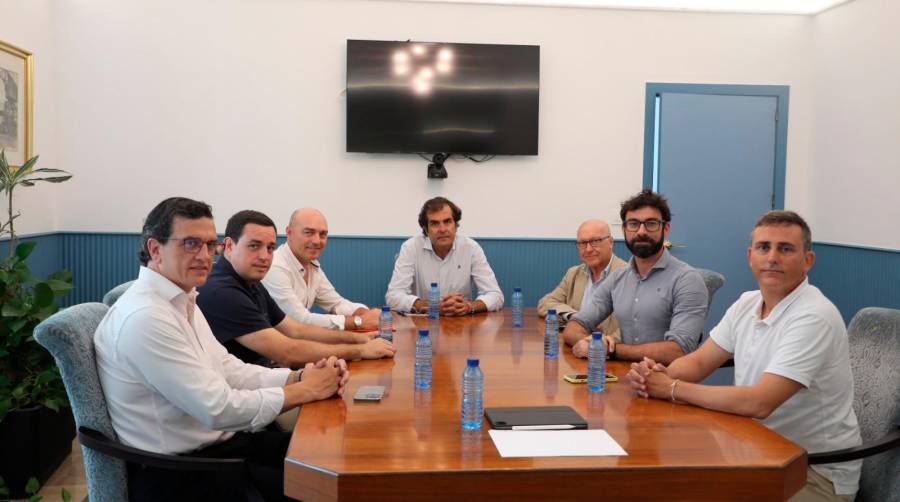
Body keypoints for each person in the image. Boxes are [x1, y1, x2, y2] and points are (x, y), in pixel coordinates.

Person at [94, 197, 349, 502]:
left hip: (223, 447)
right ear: (154, 249)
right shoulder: (145, 317)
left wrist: (297, 377)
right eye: (190, 243)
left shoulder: (182, 297)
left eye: (208, 244)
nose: (205, 256)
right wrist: (306, 390)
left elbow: (227, 367)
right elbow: (218, 409)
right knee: (326, 489)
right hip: (184, 474)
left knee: (334, 456)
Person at [627, 211, 861, 501]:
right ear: (751, 256)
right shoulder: (747, 303)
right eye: (764, 247)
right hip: (754, 450)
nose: (772, 257)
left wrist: (671, 388)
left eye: (785, 249)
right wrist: (655, 375)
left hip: (811, 473)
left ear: (808, 260)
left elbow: (759, 402)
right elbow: (699, 362)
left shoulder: (815, 316)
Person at [197, 210, 396, 370]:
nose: (265, 256)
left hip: (262, 377)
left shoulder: (251, 279)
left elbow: (296, 328)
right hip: (247, 392)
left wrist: (359, 338)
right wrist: (360, 349)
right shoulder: (223, 291)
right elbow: (288, 352)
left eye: (269, 247)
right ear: (229, 246)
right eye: (254, 246)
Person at [562, 189, 707, 364]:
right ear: (624, 229)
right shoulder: (618, 278)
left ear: (666, 228)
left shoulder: (687, 280)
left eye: (651, 223)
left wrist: (608, 349)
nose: (641, 231)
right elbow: (575, 324)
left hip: (667, 383)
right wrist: (588, 342)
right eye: (633, 224)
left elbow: (679, 350)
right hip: (623, 376)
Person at [262, 208, 381, 331]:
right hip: (269, 347)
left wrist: (365, 313)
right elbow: (299, 320)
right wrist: (359, 321)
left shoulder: (312, 266)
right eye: (308, 232)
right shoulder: (275, 267)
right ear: (289, 232)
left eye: (323, 234)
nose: (317, 241)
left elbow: (336, 303)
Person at [385, 196, 504, 316]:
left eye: (447, 221)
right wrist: (432, 306)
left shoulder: (471, 248)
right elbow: (393, 296)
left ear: (456, 226)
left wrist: (469, 306)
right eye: (435, 224)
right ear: (426, 230)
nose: (442, 229)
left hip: (462, 323)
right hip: (423, 324)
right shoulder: (411, 248)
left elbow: (495, 295)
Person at [537, 219, 627, 339]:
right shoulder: (574, 273)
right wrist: (575, 317)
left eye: (595, 241)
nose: (588, 249)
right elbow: (545, 303)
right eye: (582, 243)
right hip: (573, 343)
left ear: (611, 242)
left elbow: (636, 326)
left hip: (607, 352)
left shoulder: (627, 275)